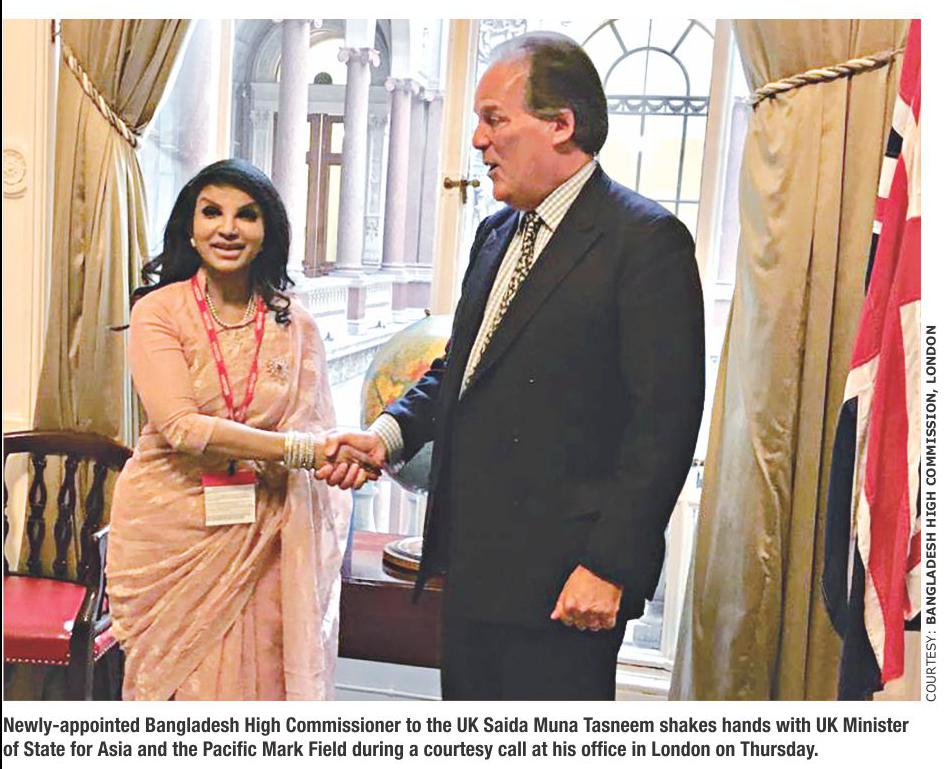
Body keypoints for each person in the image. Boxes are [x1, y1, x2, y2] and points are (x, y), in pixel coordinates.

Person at [329, 33, 706, 700]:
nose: (477, 140)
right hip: (473, 570)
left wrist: (608, 566)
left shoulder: (645, 242)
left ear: (560, 124)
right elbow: (464, 367)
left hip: (567, 584)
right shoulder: (496, 233)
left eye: (494, 119)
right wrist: (386, 435)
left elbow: (663, 425)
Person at [107, 159, 375, 700]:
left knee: (262, 685)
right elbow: (182, 428)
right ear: (189, 227)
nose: (227, 228)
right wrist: (305, 451)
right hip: (170, 530)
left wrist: (333, 454)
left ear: (267, 232)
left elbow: (314, 423)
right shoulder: (159, 312)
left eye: (246, 215)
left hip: (267, 528)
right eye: (212, 212)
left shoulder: (294, 323)